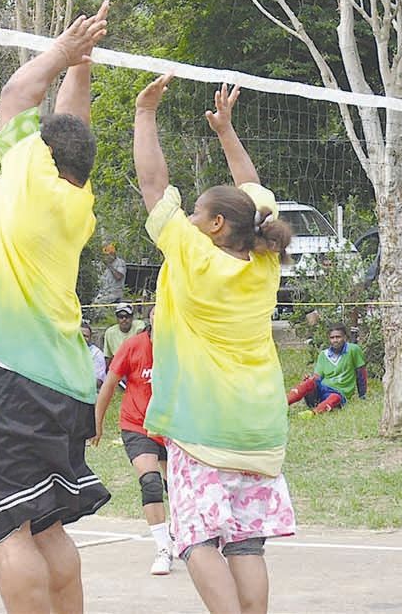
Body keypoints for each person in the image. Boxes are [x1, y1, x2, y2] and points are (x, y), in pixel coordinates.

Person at [0, 3, 113, 614]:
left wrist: (64, 51)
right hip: (65, 385)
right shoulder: (77, 198)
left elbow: (17, 92)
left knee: (10, 533)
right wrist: (82, 67)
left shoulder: (27, 173)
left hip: (13, 384)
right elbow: (73, 124)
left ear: (40, 151)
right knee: (49, 529)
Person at [134, 75, 297, 614]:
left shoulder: (191, 253)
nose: (189, 218)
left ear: (214, 224)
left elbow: (154, 187)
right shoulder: (265, 259)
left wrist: (145, 113)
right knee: (247, 543)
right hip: (260, 424)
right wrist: (226, 131)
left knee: (197, 540)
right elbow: (257, 198)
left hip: (204, 426)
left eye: (197, 212)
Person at [91, 308, 173, 576]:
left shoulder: (182, 347)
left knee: (178, 485)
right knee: (150, 481)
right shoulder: (133, 346)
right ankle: (163, 548)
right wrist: (97, 424)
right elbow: (108, 385)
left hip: (173, 426)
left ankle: (182, 533)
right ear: (151, 321)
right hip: (137, 425)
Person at [286, 324, 367, 415]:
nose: (335, 340)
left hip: (339, 393)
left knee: (335, 398)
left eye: (338, 337)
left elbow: (361, 374)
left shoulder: (353, 350)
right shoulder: (323, 354)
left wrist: (362, 395)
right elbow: (317, 377)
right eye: (332, 338)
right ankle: (282, 405)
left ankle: (312, 413)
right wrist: (309, 381)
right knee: (309, 382)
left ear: (345, 337)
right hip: (321, 391)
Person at [80, 322, 107, 390]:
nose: (82, 338)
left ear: (90, 338)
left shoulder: (96, 354)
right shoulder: (68, 350)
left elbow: (98, 382)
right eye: (80, 335)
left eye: (85, 336)